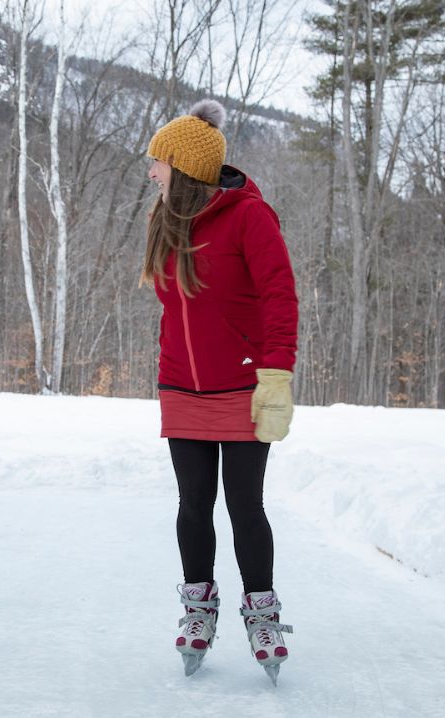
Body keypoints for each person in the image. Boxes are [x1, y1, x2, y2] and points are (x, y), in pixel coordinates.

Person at [143, 100, 298, 683]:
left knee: (244, 506)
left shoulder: (250, 216)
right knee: (192, 505)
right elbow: (174, 302)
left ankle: (261, 612)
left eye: (158, 162)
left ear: (182, 167)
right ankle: (198, 610)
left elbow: (280, 295)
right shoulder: (165, 218)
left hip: (242, 384)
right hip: (181, 383)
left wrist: (276, 373)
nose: (151, 172)